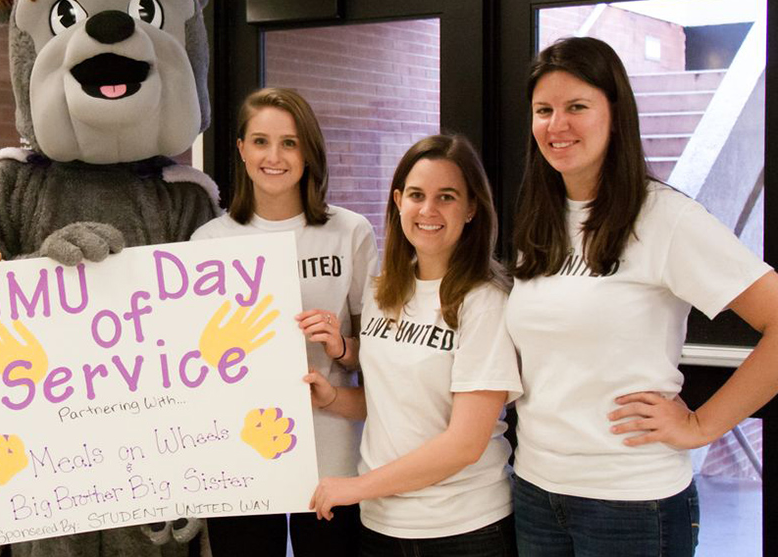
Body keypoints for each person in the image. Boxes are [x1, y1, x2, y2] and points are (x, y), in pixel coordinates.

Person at [505, 36, 778, 557]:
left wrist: (701, 424)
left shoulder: (664, 219)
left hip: (631, 503)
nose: (556, 125)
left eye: (577, 107)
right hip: (538, 490)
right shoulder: (542, 219)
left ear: (616, 114)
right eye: (544, 110)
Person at [305, 133, 521, 556]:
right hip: (382, 526)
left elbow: (465, 442)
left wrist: (357, 487)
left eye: (446, 197)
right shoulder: (383, 290)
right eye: (417, 195)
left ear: (472, 208)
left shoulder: (484, 300)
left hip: (465, 530)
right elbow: (391, 402)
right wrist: (331, 398)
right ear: (399, 200)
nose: (428, 210)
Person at [191, 87, 379, 556]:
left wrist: (340, 347)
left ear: (308, 152)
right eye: (260, 141)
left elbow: (376, 350)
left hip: (331, 450)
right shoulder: (207, 241)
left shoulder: (350, 231)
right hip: (240, 455)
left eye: (289, 143)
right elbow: (190, 358)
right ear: (241, 148)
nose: (274, 157)